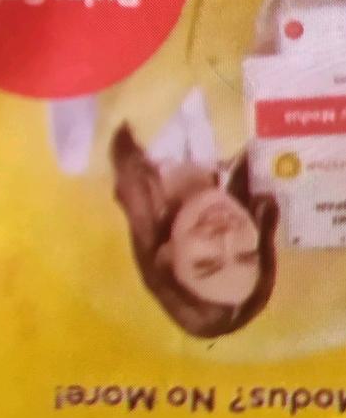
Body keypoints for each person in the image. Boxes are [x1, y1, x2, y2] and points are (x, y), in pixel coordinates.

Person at [109, 102, 278, 340]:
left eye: (206, 262)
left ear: (165, 258)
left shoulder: (108, 154)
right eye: (247, 254)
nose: (227, 237)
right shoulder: (252, 142)